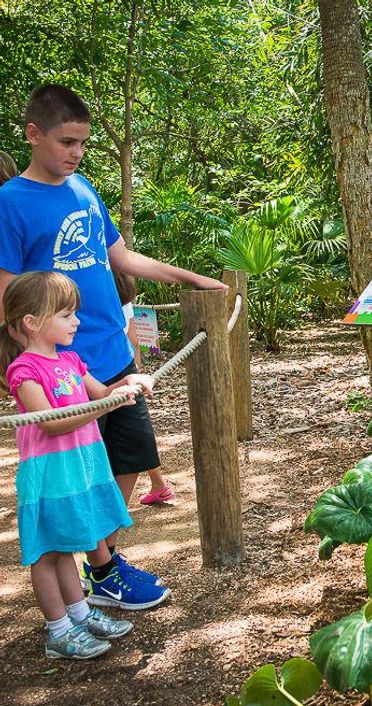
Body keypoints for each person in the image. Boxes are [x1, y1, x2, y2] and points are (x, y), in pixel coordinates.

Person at [0, 84, 227, 605]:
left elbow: (123, 259)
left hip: (112, 353)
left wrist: (191, 279)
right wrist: (33, 361)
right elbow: (9, 297)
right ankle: (101, 568)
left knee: (129, 456)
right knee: (76, 468)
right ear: (33, 135)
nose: (76, 152)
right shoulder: (10, 203)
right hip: (59, 369)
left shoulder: (83, 189)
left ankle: (102, 562)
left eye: (82, 142)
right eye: (66, 142)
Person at [0, 272, 160, 658]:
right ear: (32, 322)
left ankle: (80, 612)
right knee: (49, 552)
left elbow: (104, 394)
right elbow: (51, 424)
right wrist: (106, 404)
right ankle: (58, 630)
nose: (76, 322)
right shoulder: (24, 372)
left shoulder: (71, 360)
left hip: (82, 468)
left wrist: (129, 385)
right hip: (52, 473)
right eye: (66, 315)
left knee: (73, 543)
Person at [113, 270, 174, 504]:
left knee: (131, 439)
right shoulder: (121, 297)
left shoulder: (113, 297)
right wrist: (135, 367)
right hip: (126, 371)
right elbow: (134, 339)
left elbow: (132, 338)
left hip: (121, 373)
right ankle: (158, 484)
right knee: (134, 438)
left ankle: (157, 484)